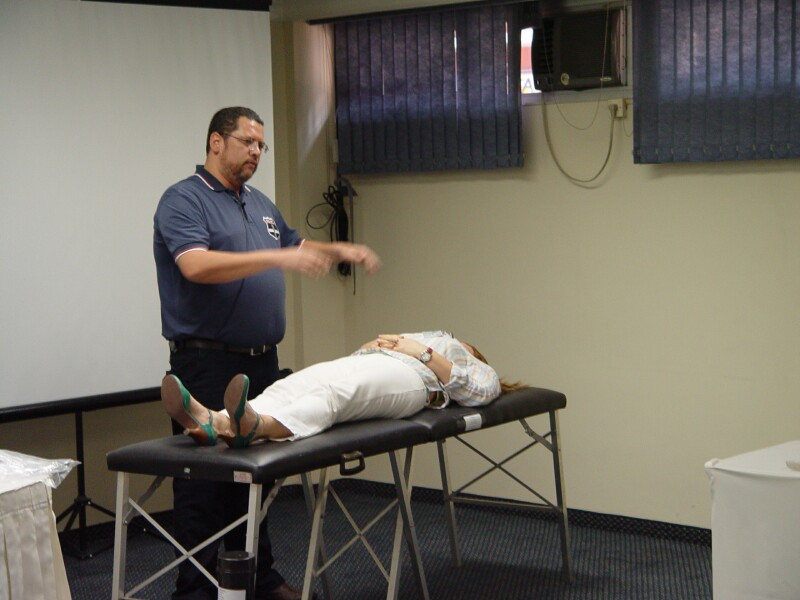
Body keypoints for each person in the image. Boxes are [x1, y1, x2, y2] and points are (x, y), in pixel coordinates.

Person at [153, 106, 380, 600]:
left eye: (261, 145)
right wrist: (278, 257)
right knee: (205, 485)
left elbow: (295, 245)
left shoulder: (259, 203)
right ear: (216, 142)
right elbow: (196, 266)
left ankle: (260, 579)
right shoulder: (184, 199)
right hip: (206, 360)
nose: (256, 151)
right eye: (248, 142)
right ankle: (196, 592)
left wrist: (340, 250)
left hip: (261, 363)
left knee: (257, 476)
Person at [160, 330, 524, 447]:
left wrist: (423, 353)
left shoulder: (468, 359)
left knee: (335, 395)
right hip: (374, 362)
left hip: (413, 381)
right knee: (294, 384)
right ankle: (215, 420)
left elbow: (478, 393)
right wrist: (372, 347)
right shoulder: (431, 335)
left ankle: (259, 427)